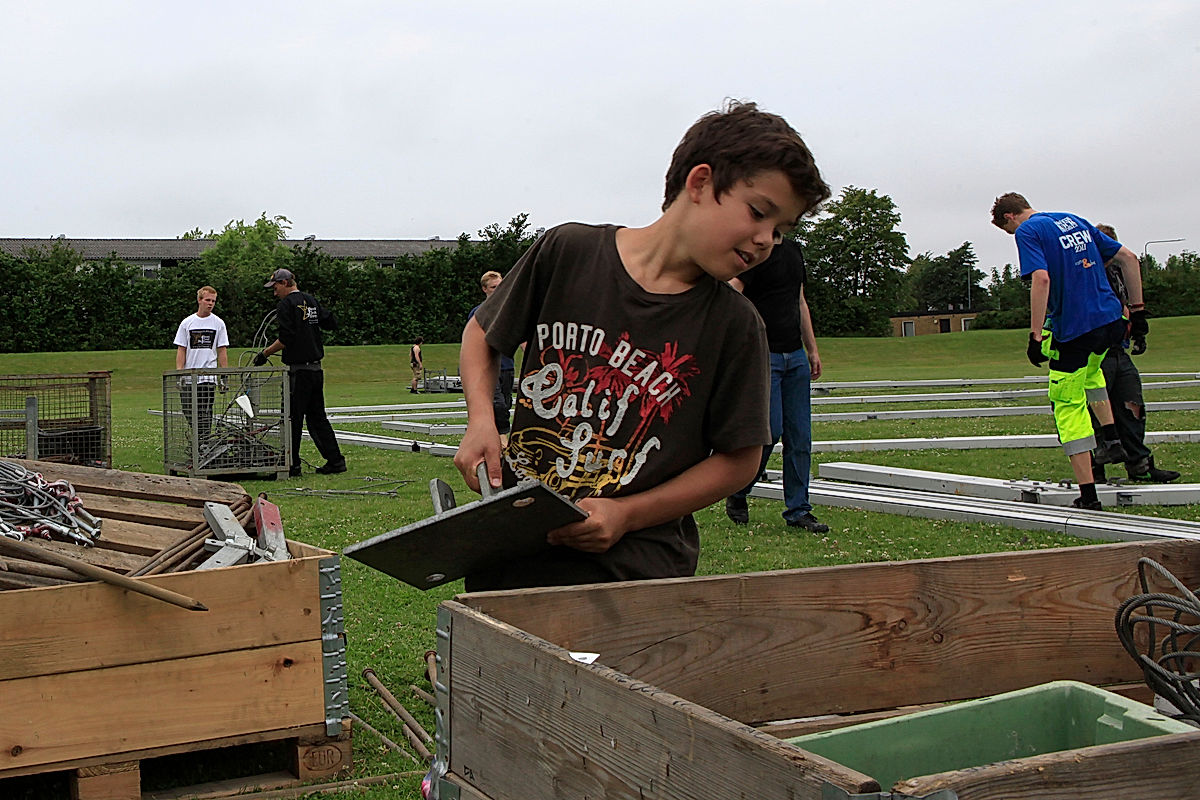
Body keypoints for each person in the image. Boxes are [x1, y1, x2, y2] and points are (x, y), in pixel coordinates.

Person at [454, 100, 830, 590]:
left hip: (636, 573)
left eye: (779, 231)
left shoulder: (736, 324)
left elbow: (741, 459)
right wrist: (482, 419)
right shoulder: (568, 252)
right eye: (758, 213)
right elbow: (483, 333)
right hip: (514, 552)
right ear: (699, 183)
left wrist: (627, 515)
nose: (765, 241)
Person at [991, 193, 1146, 509]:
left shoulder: (1028, 231)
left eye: (1007, 231)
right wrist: (1139, 311)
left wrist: (1035, 336)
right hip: (1110, 321)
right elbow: (1129, 258)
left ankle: (1088, 495)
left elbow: (1041, 278)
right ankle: (1113, 440)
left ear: (1009, 217)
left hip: (1075, 330)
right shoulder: (1073, 219)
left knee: (1066, 405)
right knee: (1091, 377)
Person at [723, 239, 828, 532]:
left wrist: (812, 349)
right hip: (763, 356)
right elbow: (734, 290)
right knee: (770, 430)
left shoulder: (794, 252)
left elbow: (799, 300)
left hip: (794, 357)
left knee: (800, 437)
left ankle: (798, 510)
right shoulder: (757, 252)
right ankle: (739, 489)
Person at [1089, 224, 1180, 483]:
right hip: (1096, 351)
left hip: (1118, 348)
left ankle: (1139, 464)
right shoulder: (1086, 275)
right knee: (1096, 410)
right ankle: (1094, 468)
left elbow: (1127, 304)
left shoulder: (1118, 272)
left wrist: (1136, 330)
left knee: (1133, 406)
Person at [254, 268, 346, 476]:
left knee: (291, 418)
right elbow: (331, 322)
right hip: (315, 369)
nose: (274, 292)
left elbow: (286, 338)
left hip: (298, 372)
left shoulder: (286, 305)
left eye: (276, 287)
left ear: (285, 283)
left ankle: (292, 464)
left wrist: (265, 354)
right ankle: (336, 461)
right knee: (317, 417)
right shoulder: (310, 300)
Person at [173, 285, 229, 446]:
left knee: (204, 412)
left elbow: (222, 350)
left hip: (207, 377)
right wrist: (180, 373)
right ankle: (200, 440)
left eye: (213, 301)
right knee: (189, 410)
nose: (210, 304)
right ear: (199, 300)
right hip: (190, 376)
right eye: (207, 300)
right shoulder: (187, 323)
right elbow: (181, 349)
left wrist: (223, 375)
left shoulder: (218, 323)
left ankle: (203, 443)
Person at [468, 270, 516, 442]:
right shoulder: (478, 314)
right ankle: (502, 438)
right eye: (494, 287)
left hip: (507, 365)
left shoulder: (510, 312)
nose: (498, 290)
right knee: (497, 404)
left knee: (506, 402)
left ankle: (496, 437)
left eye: (500, 286)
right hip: (488, 367)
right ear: (485, 289)